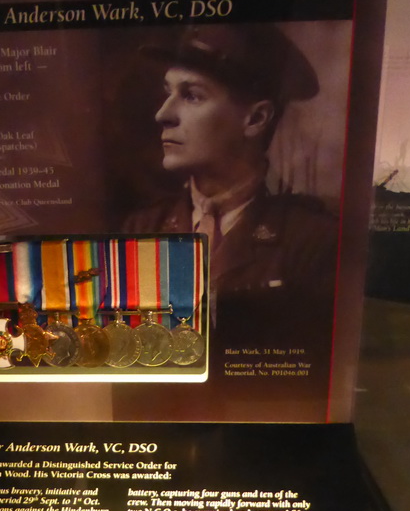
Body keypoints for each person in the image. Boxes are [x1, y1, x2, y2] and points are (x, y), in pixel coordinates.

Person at [125, 23, 339, 378]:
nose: (163, 114)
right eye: (168, 92)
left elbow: (308, 377)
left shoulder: (312, 243)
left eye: (191, 95)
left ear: (255, 119)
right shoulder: (142, 229)